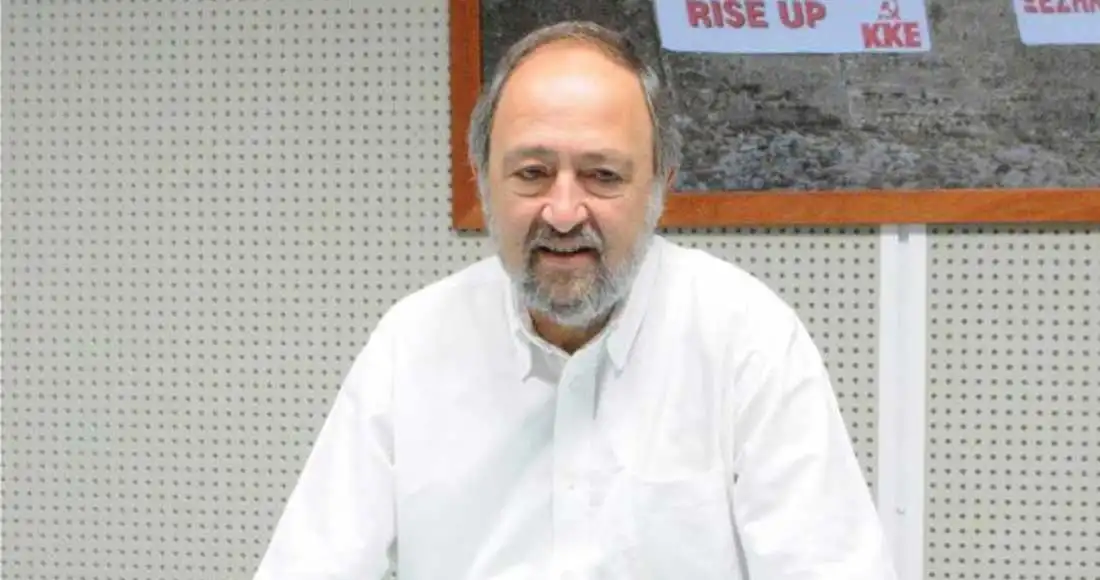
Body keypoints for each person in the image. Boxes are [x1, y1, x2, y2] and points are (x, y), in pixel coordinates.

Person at [253, 21, 897, 580]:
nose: (563, 212)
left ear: (661, 188)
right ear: (482, 181)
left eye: (602, 175)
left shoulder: (748, 340)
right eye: (532, 173)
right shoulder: (412, 342)